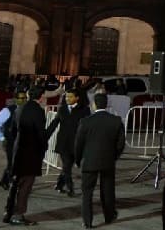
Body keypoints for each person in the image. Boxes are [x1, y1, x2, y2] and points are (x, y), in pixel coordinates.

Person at [74, 92, 126, 229]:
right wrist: (114, 156)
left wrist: (78, 160)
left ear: (94, 104)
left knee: (87, 192)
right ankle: (109, 216)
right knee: (108, 190)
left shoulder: (85, 121)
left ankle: (87, 221)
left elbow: (78, 144)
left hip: (90, 161)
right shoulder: (116, 120)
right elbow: (121, 144)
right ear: (107, 104)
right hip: (108, 161)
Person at [3, 86, 48, 226]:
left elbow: (12, 130)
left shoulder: (19, 108)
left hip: (19, 150)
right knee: (25, 186)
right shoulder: (38, 111)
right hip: (31, 152)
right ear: (41, 97)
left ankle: (8, 211)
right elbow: (41, 135)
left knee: (15, 184)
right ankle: (18, 214)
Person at [47, 87, 90, 196]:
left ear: (77, 98)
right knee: (66, 166)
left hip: (76, 144)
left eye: (70, 97)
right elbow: (54, 124)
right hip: (63, 143)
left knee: (67, 167)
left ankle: (59, 184)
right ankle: (71, 189)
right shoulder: (62, 109)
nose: (67, 99)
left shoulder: (84, 110)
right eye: (66, 96)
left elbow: (87, 127)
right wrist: (44, 136)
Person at [0, 90, 26, 190]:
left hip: (21, 141)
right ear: (16, 99)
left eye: (25, 98)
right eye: (21, 98)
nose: (24, 100)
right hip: (10, 141)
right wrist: (2, 138)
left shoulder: (26, 110)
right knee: (13, 162)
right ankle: (12, 183)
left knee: (14, 162)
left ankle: (4, 180)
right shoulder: (7, 111)